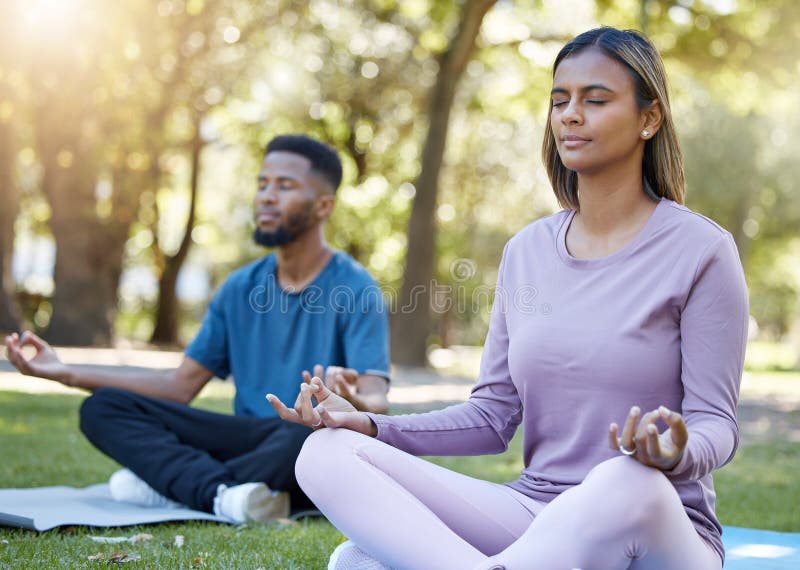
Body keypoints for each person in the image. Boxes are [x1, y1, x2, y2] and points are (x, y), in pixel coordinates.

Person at [268, 28, 748, 569]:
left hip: (658, 525)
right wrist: (373, 425)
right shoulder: (528, 251)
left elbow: (718, 425)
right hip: (537, 513)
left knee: (622, 476)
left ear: (649, 118)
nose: (569, 115)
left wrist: (677, 452)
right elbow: (493, 415)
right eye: (559, 100)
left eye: (595, 100)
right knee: (329, 465)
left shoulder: (702, 251)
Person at [4, 134, 391, 523]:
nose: (267, 197)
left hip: (301, 438)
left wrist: (351, 399)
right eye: (262, 184)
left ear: (324, 205)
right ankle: (224, 495)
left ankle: (175, 486)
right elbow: (178, 387)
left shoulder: (357, 289)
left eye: (285, 186)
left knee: (310, 438)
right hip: (243, 438)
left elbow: (378, 403)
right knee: (104, 407)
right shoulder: (239, 288)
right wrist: (66, 372)